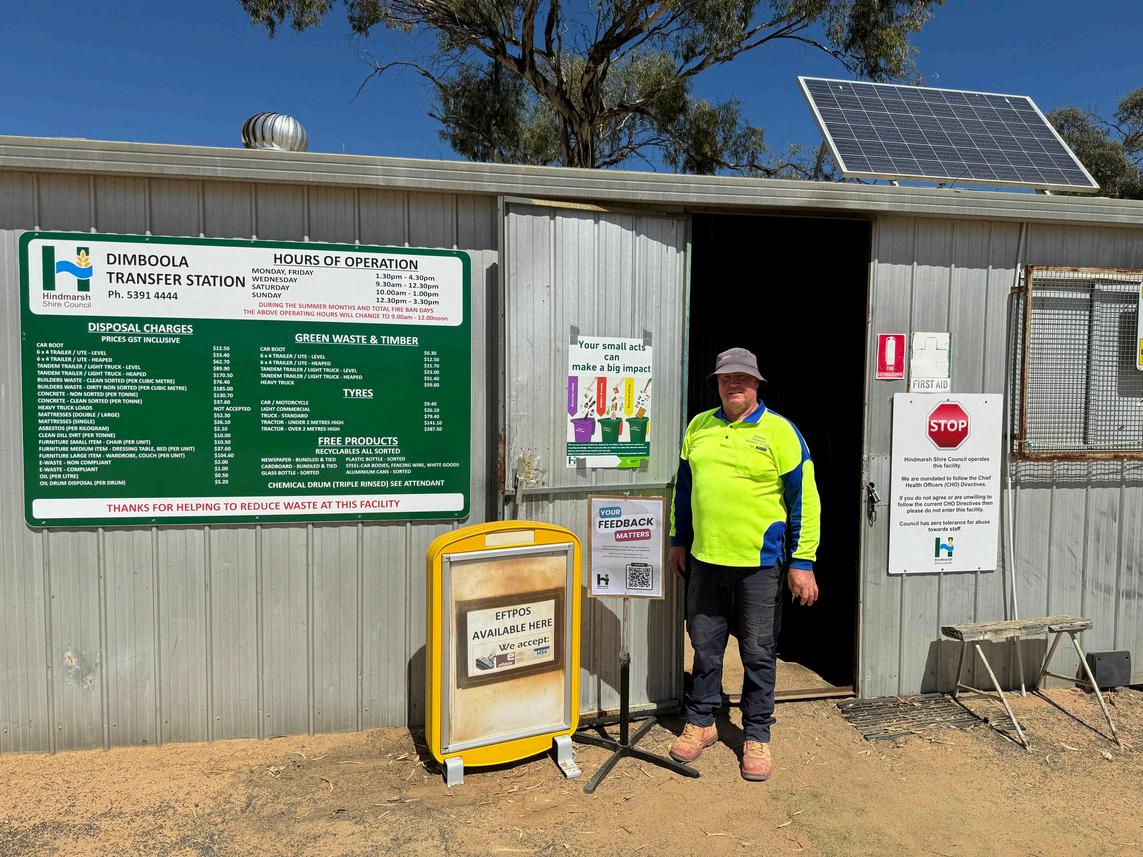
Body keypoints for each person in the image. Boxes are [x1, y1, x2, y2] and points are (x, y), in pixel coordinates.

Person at [667, 347, 821, 782]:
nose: (734, 384)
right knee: (704, 647)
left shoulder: (780, 431)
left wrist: (803, 561)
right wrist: (679, 540)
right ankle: (702, 722)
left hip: (759, 566)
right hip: (705, 560)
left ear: (757, 384)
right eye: (725, 378)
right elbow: (684, 489)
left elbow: (805, 500)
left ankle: (756, 734)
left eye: (743, 378)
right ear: (717, 384)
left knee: (757, 652)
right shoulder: (699, 426)